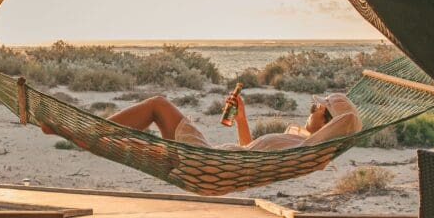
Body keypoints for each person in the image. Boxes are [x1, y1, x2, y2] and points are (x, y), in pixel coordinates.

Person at [46, 90, 362, 152]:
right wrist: (242, 117)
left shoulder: (300, 147)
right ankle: (83, 135)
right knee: (148, 126)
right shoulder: (297, 146)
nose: (310, 109)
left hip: (207, 160)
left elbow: (246, 158)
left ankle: (83, 132)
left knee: (158, 104)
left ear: (326, 119)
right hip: (210, 162)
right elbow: (249, 153)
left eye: (315, 108)